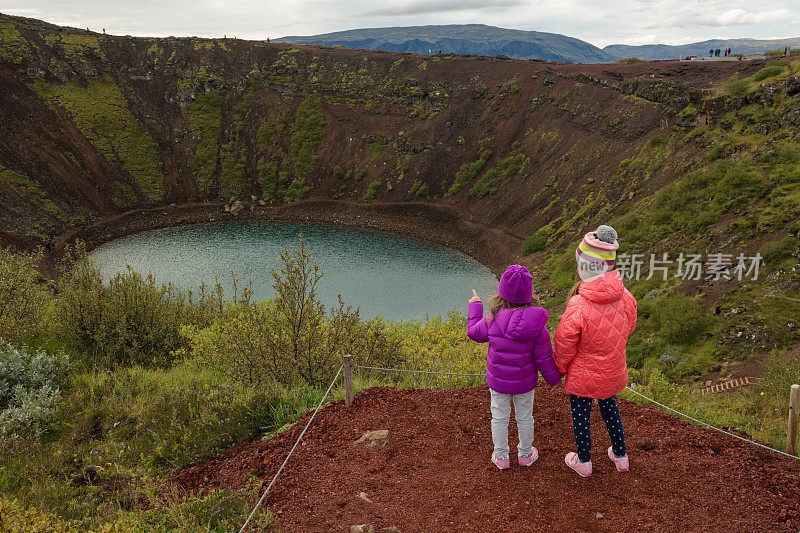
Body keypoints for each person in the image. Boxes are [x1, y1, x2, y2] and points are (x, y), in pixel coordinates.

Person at [554, 225, 637, 478]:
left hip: (583, 374)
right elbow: (629, 327)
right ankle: (621, 456)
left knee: (581, 415)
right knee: (610, 407)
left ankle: (584, 461)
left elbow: (564, 341)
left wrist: (560, 367)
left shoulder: (578, 304)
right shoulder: (626, 297)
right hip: (612, 369)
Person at [468, 265, 562, 470]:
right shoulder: (537, 326)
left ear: (501, 294)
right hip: (525, 382)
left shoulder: (492, 320)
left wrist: (475, 307)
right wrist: (554, 379)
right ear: (529, 295)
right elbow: (544, 358)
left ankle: (501, 457)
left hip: (498, 381)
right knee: (525, 417)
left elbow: (473, 333)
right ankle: (526, 455)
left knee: (499, 417)